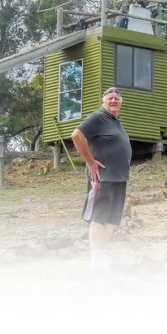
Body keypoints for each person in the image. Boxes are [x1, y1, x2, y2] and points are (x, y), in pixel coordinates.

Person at [71, 87, 132, 272]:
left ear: (121, 102)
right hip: (102, 177)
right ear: (103, 101)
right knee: (99, 217)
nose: (113, 100)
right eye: (110, 98)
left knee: (111, 219)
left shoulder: (116, 121)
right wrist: (90, 162)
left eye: (117, 98)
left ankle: (101, 255)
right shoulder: (98, 117)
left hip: (119, 177)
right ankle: (95, 259)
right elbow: (76, 135)